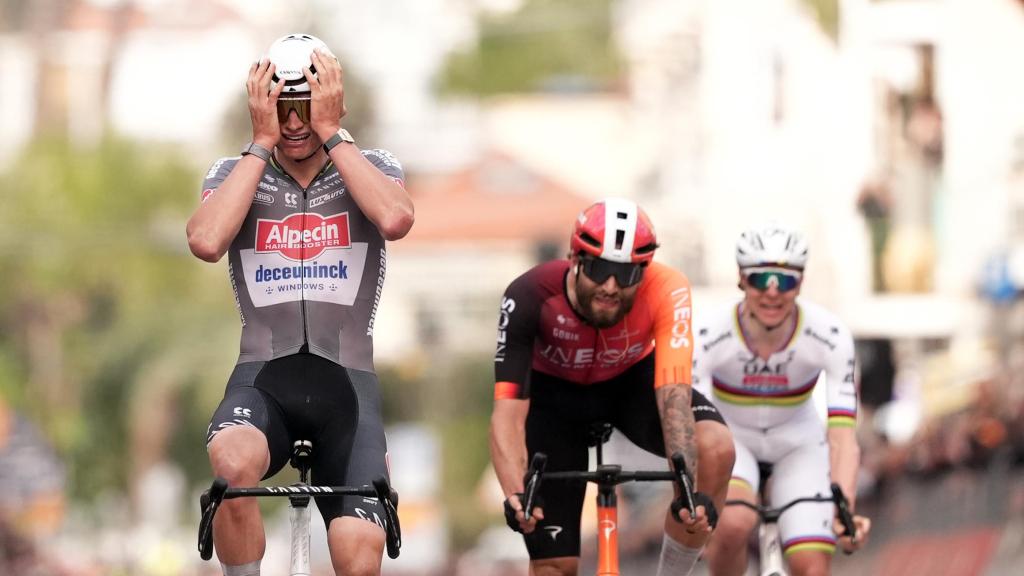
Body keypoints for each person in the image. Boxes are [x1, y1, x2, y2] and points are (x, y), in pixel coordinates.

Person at [186, 33, 414, 576]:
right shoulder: (233, 172)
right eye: (281, 107)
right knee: (231, 463)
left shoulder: (372, 163)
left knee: (359, 556)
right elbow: (205, 241)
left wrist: (333, 133)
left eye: (305, 107)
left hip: (349, 390)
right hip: (265, 378)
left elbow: (396, 219)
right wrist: (258, 144)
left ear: (331, 100)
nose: (292, 124)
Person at [489, 198, 735, 576]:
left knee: (715, 447)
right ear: (575, 258)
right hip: (553, 400)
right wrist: (515, 495)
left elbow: (673, 397)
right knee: (556, 566)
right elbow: (508, 414)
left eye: (626, 275)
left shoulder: (668, 288)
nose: (610, 286)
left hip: (629, 385)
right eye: (600, 269)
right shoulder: (529, 294)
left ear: (644, 270)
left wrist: (686, 489)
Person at [694, 223, 872, 576]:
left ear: (801, 283)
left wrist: (845, 508)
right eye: (761, 279)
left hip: (798, 444)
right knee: (733, 523)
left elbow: (842, 435)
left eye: (786, 281)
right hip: (734, 441)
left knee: (812, 567)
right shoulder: (708, 334)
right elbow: (692, 430)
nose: (772, 293)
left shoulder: (830, 335)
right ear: (741, 279)